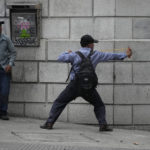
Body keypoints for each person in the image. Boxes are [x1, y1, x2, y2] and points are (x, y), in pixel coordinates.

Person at [41, 34, 132, 131]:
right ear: (89, 45)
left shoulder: (74, 55)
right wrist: (126, 54)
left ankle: (49, 123)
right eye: (93, 43)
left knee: (59, 102)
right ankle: (103, 125)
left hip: (74, 86)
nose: (94, 45)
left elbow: (60, 58)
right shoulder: (97, 54)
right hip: (88, 87)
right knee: (99, 105)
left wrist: (66, 52)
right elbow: (111, 56)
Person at [0, 21, 16, 120]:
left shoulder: (6, 39)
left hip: (4, 70)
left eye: (0, 27)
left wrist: (10, 64)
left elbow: (13, 52)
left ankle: (3, 111)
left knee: (4, 92)